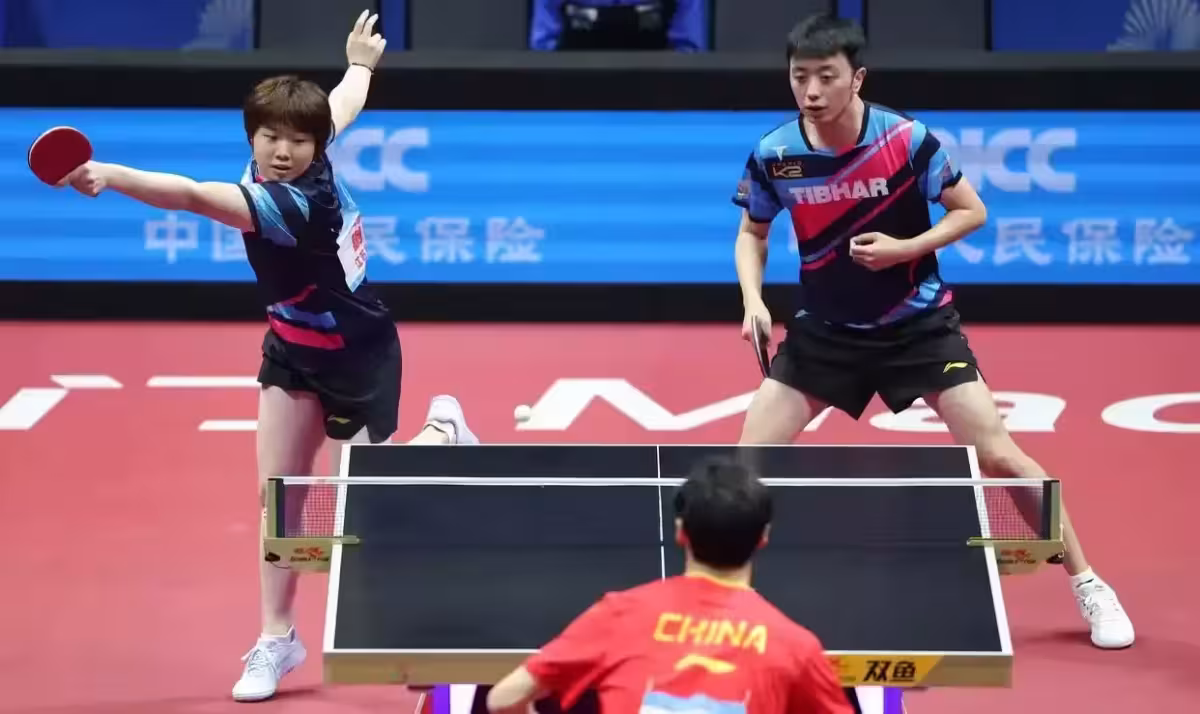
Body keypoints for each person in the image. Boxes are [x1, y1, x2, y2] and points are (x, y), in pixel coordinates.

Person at [56, 10, 479, 701]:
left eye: (297, 141)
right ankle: (278, 638)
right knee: (280, 497)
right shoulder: (306, 142)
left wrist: (110, 173)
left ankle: (443, 431)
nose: (283, 151)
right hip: (290, 347)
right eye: (271, 136)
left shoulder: (292, 204)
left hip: (358, 355)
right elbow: (343, 103)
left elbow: (190, 195)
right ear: (252, 134)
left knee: (364, 509)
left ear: (314, 148)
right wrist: (361, 63)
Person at [730, 14, 1133, 650]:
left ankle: (1088, 582)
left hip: (916, 326)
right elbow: (753, 233)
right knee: (747, 463)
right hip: (826, 333)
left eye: (826, 76)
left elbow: (972, 210)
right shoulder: (776, 154)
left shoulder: (905, 140)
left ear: (857, 78)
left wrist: (905, 248)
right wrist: (753, 299)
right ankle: (724, 598)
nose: (811, 90)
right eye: (799, 76)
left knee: (998, 455)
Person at [486, 457, 855, 714]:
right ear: (764, 538)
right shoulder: (796, 648)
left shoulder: (621, 615)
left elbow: (503, 699)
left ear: (680, 532)